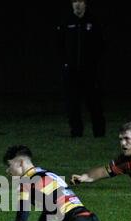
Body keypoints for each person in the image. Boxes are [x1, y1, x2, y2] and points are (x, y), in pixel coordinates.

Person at [57, 0, 106, 138]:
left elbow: (101, 44)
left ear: (85, 4)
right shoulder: (66, 21)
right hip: (71, 71)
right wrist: (65, 63)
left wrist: (94, 63)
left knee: (94, 102)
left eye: (80, 1)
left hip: (89, 71)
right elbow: (59, 44)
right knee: (72, 104)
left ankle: (99, 132)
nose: (77, 5)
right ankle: (76, 132)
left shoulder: (93, 21)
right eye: (75, 2)